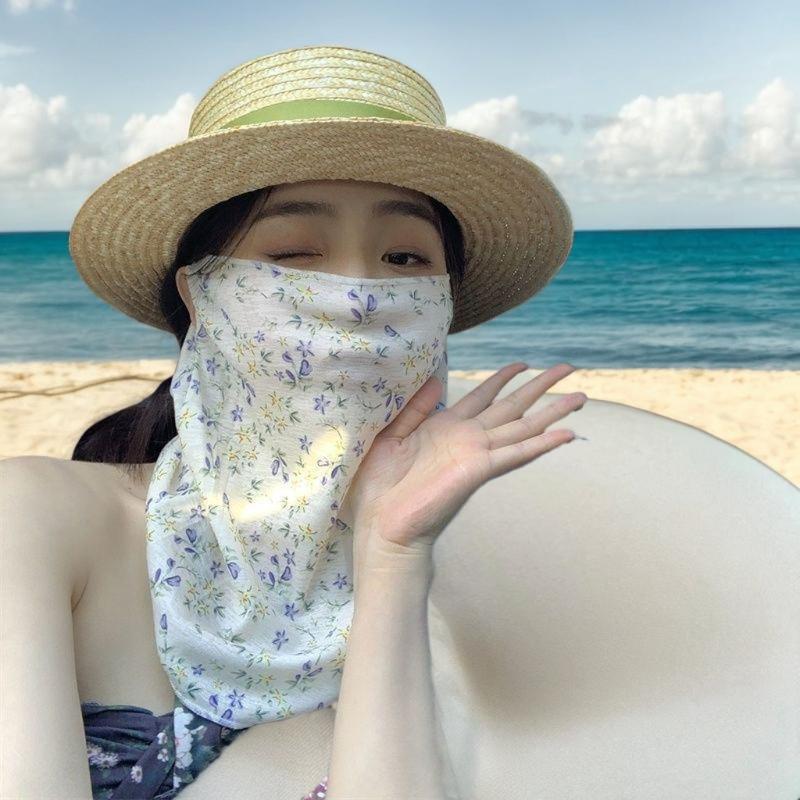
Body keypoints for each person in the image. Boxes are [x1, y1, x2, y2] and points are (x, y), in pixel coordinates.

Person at [4, 45, 797, 800]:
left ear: (443, 304)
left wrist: (392, 555)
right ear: (198, 293)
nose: (358, 295)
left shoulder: (460, 575)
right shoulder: (36, 517)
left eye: (405, 259)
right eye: (295, 253)